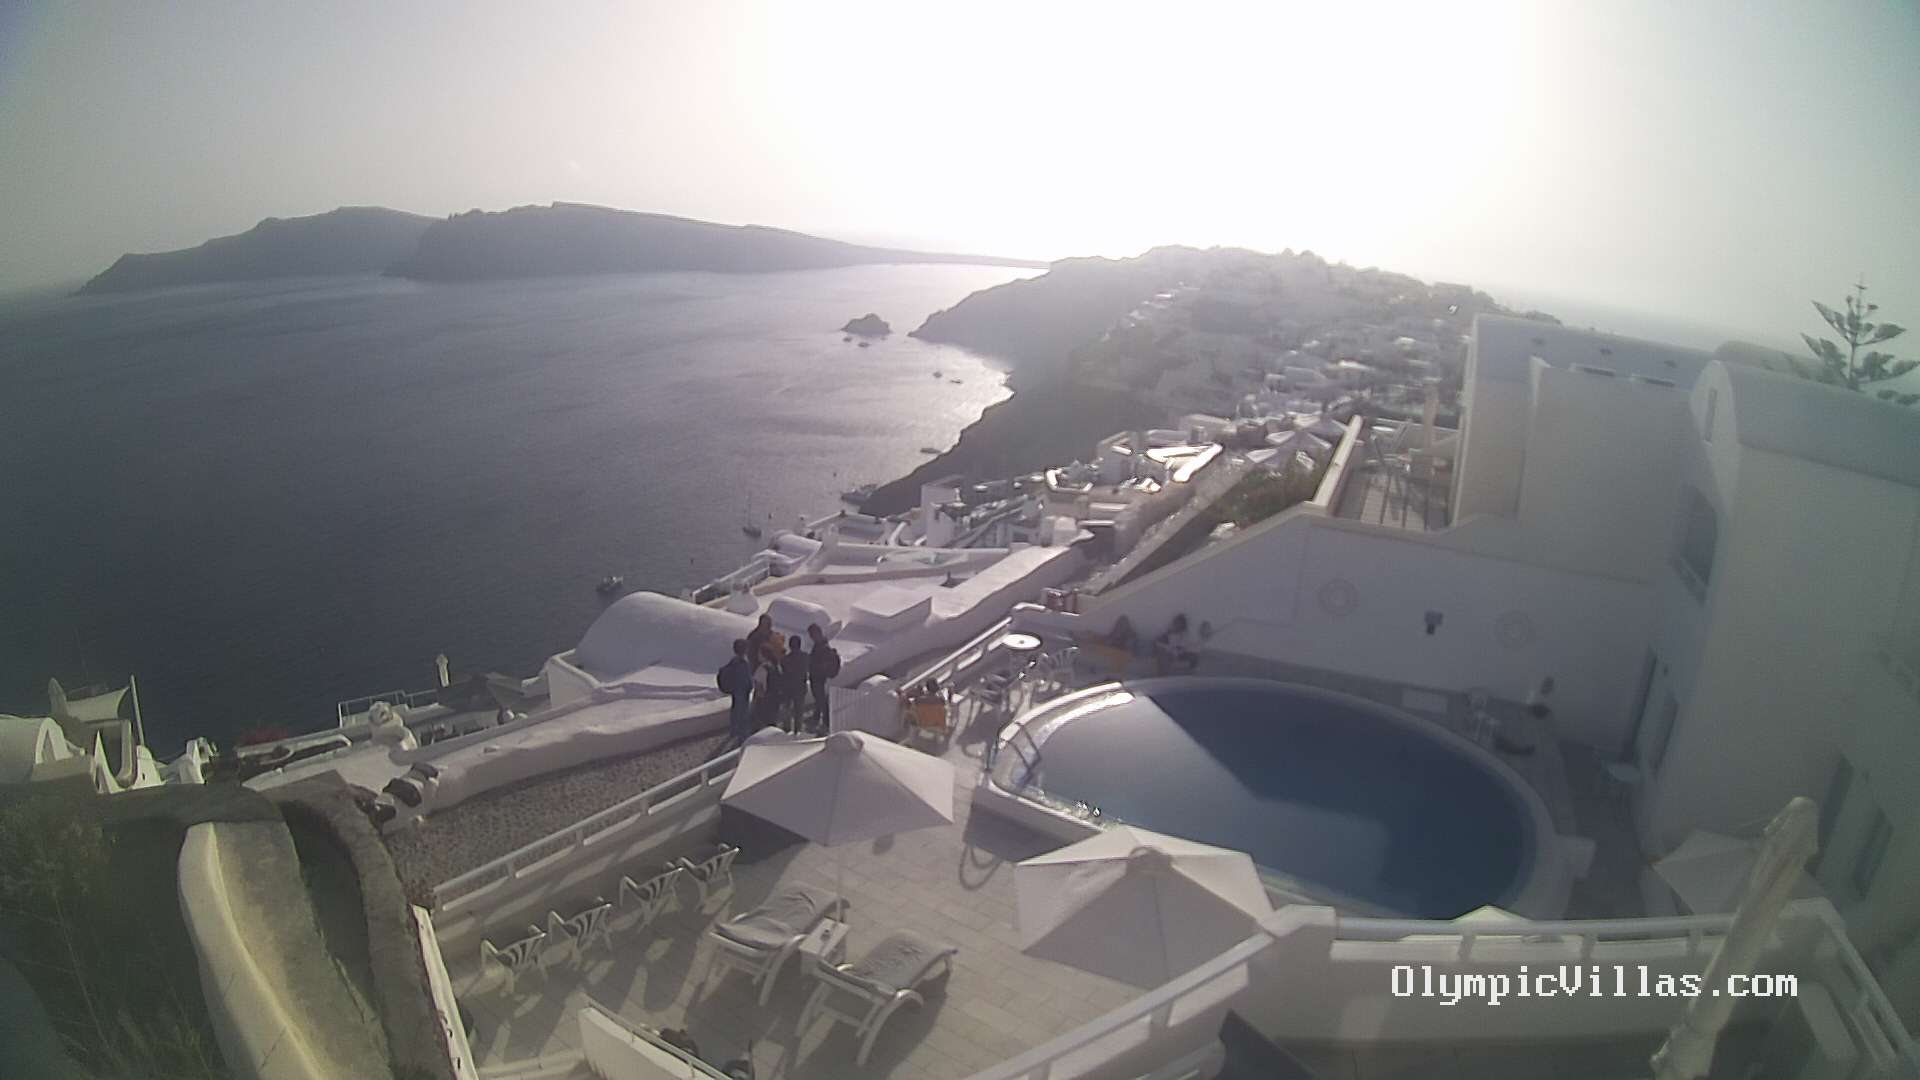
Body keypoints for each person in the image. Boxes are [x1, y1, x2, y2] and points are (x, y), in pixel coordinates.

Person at [717, 639, 753, 749]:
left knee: (735, 711)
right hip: (742, 691)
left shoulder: (734, 661)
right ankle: (743, 736)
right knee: (743, 713)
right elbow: (746, 679)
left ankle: (734, 731)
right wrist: (750, 687)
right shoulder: (743, 663)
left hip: (735, 690)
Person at [806, 623, 841, 734]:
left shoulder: (822, 647)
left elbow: (819, 662)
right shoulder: (820, 645)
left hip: (818, 676)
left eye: (812, 634)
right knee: (819, 698)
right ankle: (818, 718)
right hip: (817, 676)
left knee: (820, 699)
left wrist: (814, 666)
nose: (811, 637)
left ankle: (826, 722)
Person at [780, 635, 810, 732]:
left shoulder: (785, 659)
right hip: (800, 686)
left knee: (787, 707)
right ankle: (798, 729)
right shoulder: (805, 657)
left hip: (787, 687)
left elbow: (782, 672)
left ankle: (787, 728)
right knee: (799, 710)